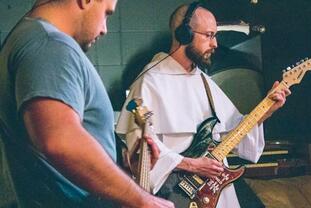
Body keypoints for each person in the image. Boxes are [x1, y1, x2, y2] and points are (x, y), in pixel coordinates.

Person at [0, 0, 174, 207]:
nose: (104, 30)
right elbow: (60, 140)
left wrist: (123, 168)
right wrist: (143, 200)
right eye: (106, 14)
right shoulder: (49, 44)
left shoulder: (28, 39)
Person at [116, 2, 291, 208]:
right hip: (175, 194)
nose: (215, 43)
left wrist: (267, 110)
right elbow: (140, 153)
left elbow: (233, 131)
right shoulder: (150, 81)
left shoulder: (204, 82)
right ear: (184, 35)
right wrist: (192, 165)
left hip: (215, 191)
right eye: (209, 35)